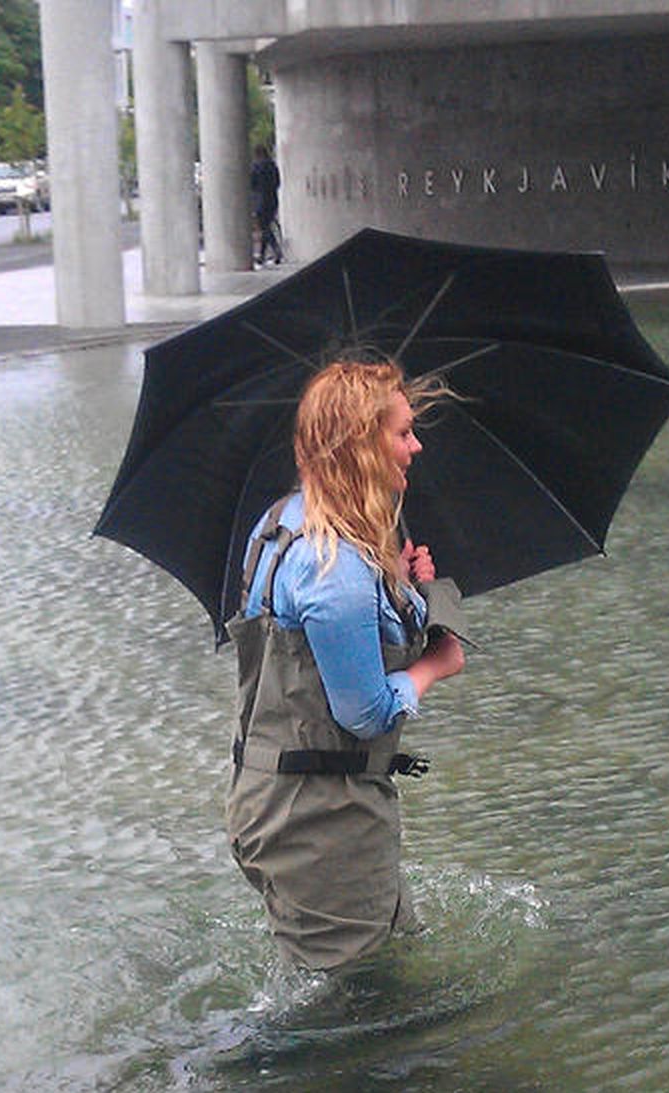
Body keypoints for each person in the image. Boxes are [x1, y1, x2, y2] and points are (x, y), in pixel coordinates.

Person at [225, 358, 467, 971]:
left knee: (393, 958)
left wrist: (412, 590)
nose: (416, 446)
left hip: (282, 795)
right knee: (344, 1008)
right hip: (318, 818)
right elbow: (365, 714)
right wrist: (436, 663)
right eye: (402, 432)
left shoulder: (281, 523)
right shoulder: (339, 570)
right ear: (362, 444)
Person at [249, 144, 282, 266]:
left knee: (265, 227)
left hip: (260, 201)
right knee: (267, 226)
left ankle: (276, 250)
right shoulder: (273, 166)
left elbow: (252, 184)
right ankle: (262, 256)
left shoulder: (256, 167)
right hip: (272, 199)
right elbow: (278, 183)